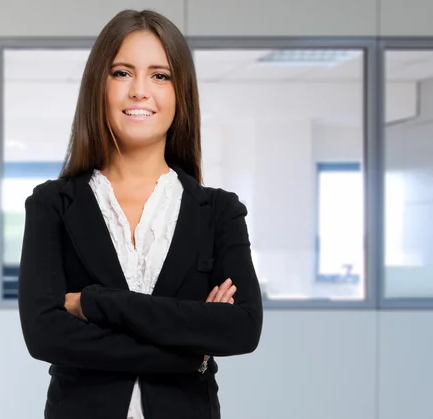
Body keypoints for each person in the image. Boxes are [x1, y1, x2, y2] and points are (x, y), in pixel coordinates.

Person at [17, 9, 263, 419]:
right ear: (99, 85)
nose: (140, 90)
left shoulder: (218, 211)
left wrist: (98, 304)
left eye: (160, 75)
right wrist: (190, 351)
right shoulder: (52, 205)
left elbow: (242, 328)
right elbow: (45, 337)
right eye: (122, 73)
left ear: (180, 93)